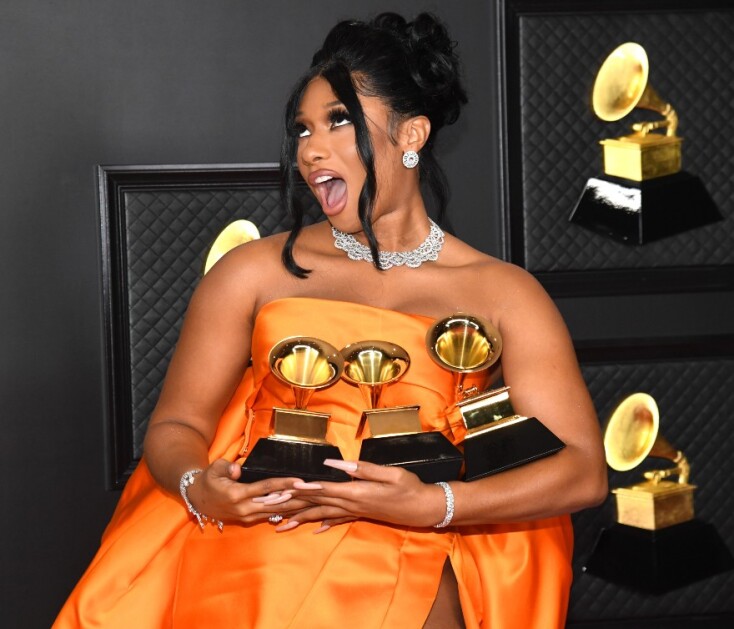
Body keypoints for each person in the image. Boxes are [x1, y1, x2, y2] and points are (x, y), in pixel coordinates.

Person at [54, 12, 607, 629]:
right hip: (262, 537)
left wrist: (434, 505)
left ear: (412, 133)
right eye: (303, 129)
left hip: (419, 538)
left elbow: (583, 471)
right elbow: (176, 425)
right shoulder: (252, 272)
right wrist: (199, 486)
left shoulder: (504, 293)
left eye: (338, 120)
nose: (310, 149)